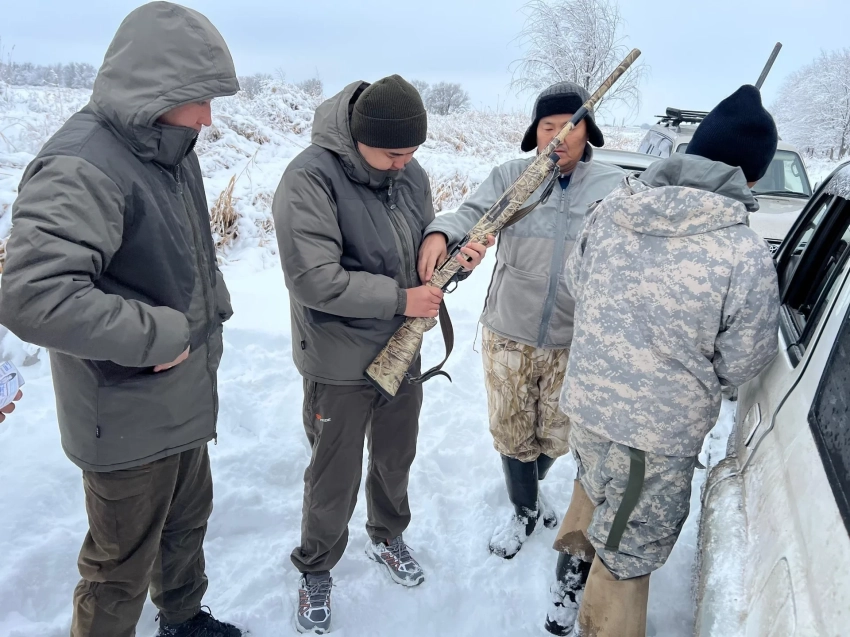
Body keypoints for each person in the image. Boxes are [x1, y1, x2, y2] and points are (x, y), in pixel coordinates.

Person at [0, 3, 243, 636]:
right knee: (119, 568)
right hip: (124, 407)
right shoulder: (83, 164)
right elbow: (33, 294)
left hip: (181, 391)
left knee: (185, 523)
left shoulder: (170, 146)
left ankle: (183, 620)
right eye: (199, 99)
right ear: (157, 87)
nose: (208, 117)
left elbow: (174, 251)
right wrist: (159, 335)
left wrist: (209, 303)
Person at [544, 85, 781, 636]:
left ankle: (565, 592)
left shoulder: (611, 210)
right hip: (657, 435)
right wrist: (690, 379)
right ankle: (600, 622)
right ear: (750, 177)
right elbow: (746, 357)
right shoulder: (742, 251)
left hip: (589, 408)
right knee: (629, 545)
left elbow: (576, 284)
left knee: (593, 491)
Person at [272, 75, 491, 634]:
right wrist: (401, 298)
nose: (405, 164)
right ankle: (316, 567)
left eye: (412, 152)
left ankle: (388, 536)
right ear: (358, 138)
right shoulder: (309, 178)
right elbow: (314, 279)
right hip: (338, 358)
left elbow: (421, 251)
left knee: (396, 457)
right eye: (394, 154)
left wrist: (448, 251)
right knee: (334, 475)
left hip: (404, 347)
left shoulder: (409, 173)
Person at [418, 82, 625, 558]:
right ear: (535, 133)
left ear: (588, 133)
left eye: (570, 127)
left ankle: (530, 487)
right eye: (548, 127)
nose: (559, 137)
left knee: (558, 432)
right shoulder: (512, 177)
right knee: (512, 429)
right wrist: (441, 233)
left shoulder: (613, 186)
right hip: (510, 329)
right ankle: (524, 510)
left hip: (575, 336)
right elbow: (470, 214)